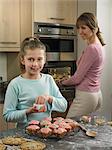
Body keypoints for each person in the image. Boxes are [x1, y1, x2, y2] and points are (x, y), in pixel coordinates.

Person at [3, 37, 67, 128]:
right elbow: (7, 115)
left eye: (39, 59)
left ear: (44, 60)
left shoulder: (48, 80)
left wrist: (49, 98)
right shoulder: (15, 84)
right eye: (31, 59)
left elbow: (63, 106)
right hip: (24, 134)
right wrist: (28, 111)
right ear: (22, 60)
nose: (35, 64)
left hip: (46, 131)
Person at [61, 12, 105, 119]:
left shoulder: (92, 48)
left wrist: (62, 82)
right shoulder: (100, 46)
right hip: (96, 94)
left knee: (68, 124)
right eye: (78, 28)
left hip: (86, 95)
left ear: (93, 28)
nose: (80, 32)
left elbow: (77, 79)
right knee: (85, 130)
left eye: (83, 28)